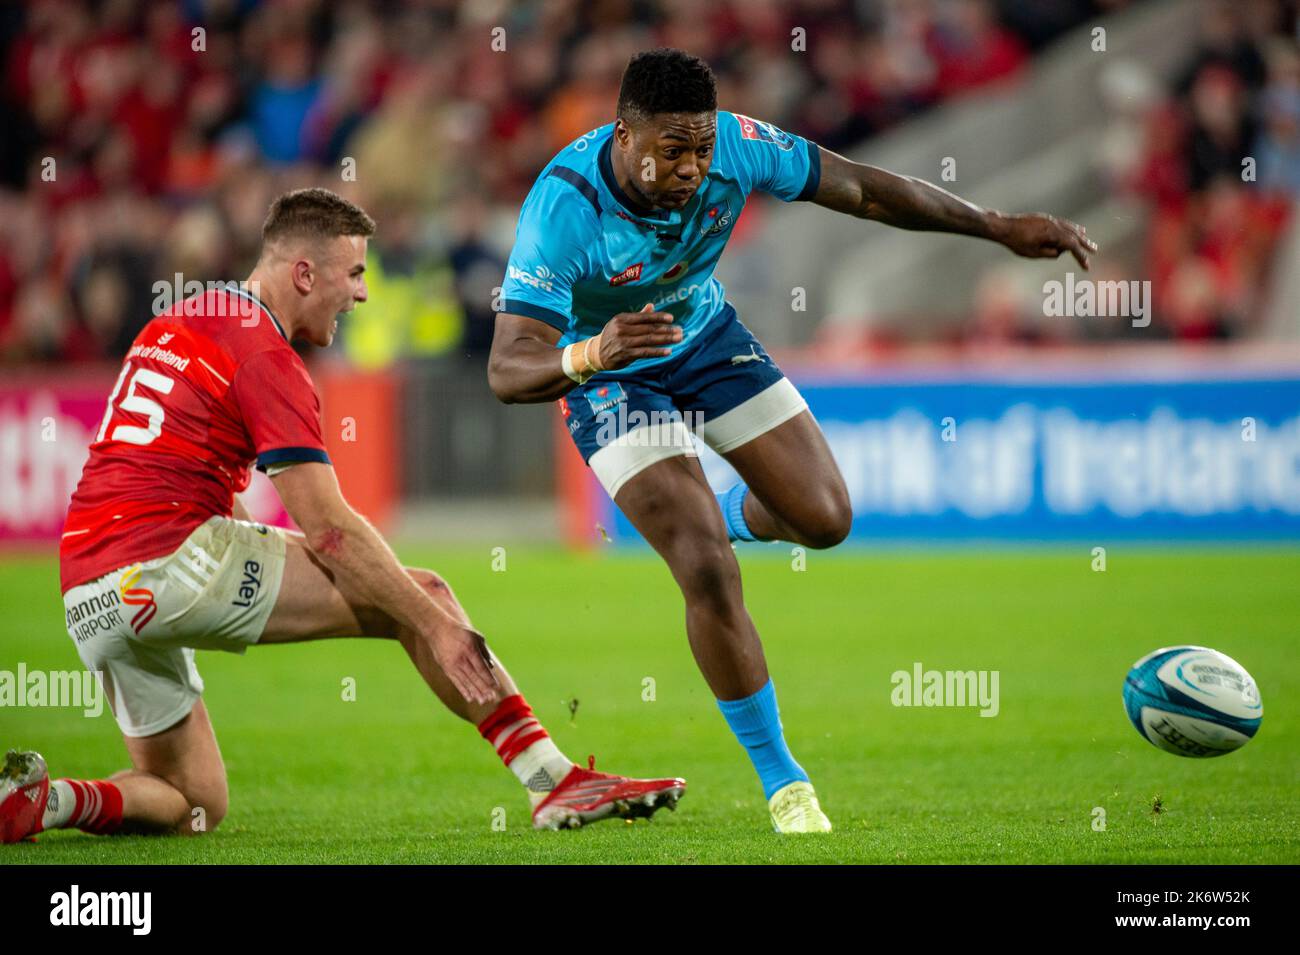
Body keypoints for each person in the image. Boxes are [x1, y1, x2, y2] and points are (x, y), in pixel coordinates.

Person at [488, 49, 1096, 833]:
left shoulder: (736, 146)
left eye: (702, 149)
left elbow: (864, 190)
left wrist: (996, 227)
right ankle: (784, 780)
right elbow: (509, 368)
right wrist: (593, 354)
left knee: (825, 518)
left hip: (701, 333)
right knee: (703, 562)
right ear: (624, 134)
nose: (692, 167)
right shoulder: (562, 205)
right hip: (607, 370)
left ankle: (730, 511)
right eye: (672, 150)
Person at [1, 188, 684, 844]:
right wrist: (434, 628)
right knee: (426, 596)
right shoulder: (266, 354)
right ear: (304, 272)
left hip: (87, 592)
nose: (362, 291)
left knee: (194, 805)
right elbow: (328, 526)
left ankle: (44, 800)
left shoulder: (184, 316)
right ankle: (552, 779)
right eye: (354, 273)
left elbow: (173, 467)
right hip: (166, 558)